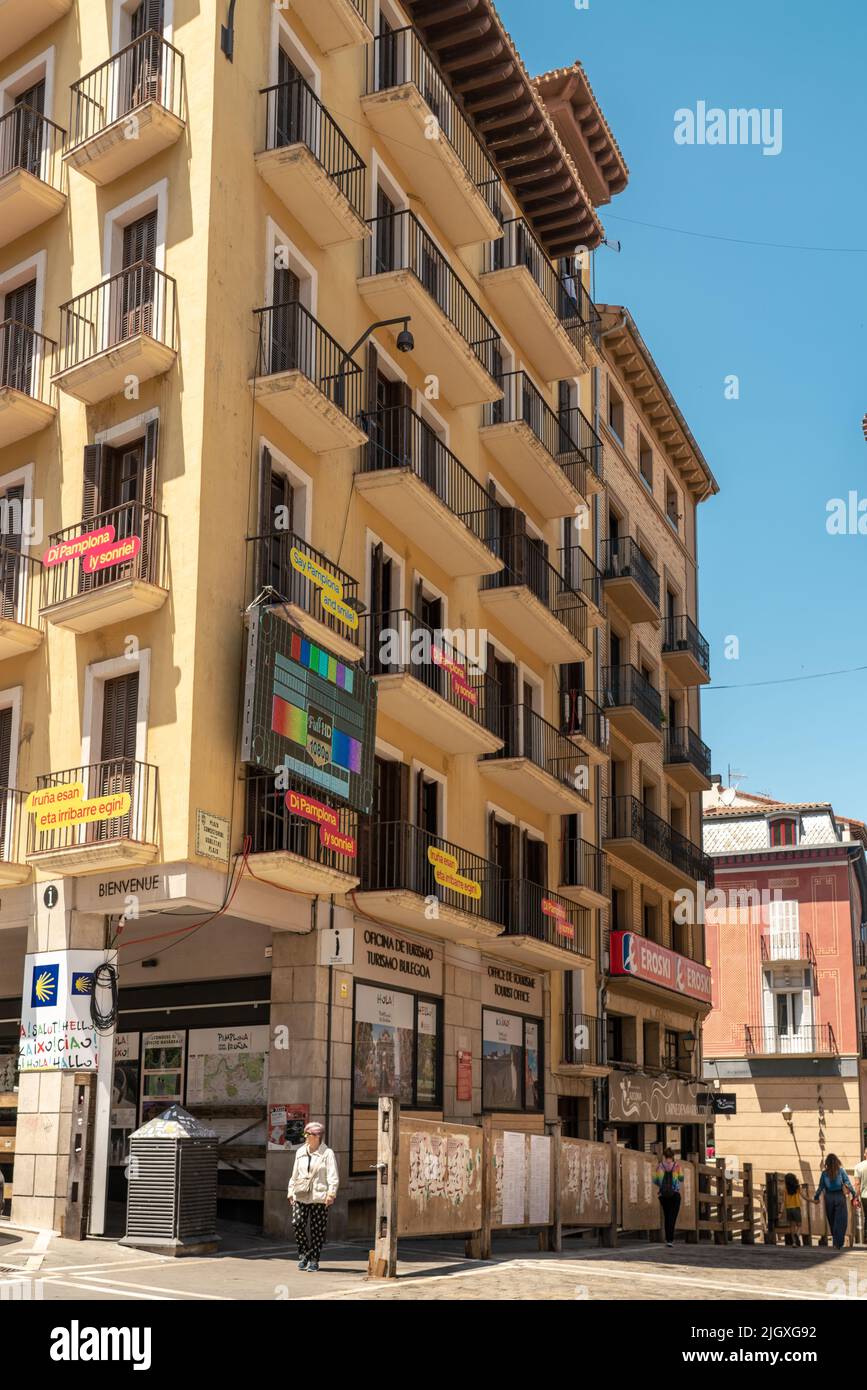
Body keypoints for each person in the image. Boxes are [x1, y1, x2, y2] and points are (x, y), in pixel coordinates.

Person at [287, 1121, 339, 1273]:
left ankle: (314, 1260)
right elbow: (294, 1174)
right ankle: (304, 1254)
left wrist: (331, 1193)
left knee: (317, 1230)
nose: (305, 1137)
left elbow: (333, 1175)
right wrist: (291, 1192)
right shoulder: (300, 1152)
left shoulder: (327, 1153)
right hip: (301, 1194)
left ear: (317, 1136)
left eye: (307, 1134)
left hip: (319, 1196)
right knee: (297, 1223)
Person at [813, 1153, 856, 1250]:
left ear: (827, 1163)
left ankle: (835, 1241)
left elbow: (821, 1187)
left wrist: (816, 1197)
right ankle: (838, 1242)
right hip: (840, 1197)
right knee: (841, 1220)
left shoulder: (824, 1173)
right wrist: (854, 1194)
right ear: (837, 1161)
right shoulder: (841, 1171)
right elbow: (848, 1183)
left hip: (829, 1197)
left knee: (832, 1220)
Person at [654, 1147, 684, 1247]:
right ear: (672, 1156)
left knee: (667, 1216)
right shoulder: (677, 1166)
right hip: (675, 1194)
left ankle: (668, 1240)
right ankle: (671, 1240)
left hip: (663, 1195)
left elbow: (655, 1181)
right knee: (673, 1217)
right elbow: (681, 1178)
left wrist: (662, 1185)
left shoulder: (660, 1166)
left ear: (664, 1156)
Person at [782, 1173, 803, 1247]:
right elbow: (803, 1196)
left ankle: (794, 1243)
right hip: (796, 1208)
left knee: (792, 1227)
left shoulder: (785, 1189)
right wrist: (813, 1201)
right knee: (799, 1225)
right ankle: (797, 1235)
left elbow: (784, 1201)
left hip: (788, 1209)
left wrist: (780, 1212)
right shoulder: (797, 1188)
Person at [853, 1146, 867, 1244]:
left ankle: (866, 1237)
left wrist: (856, 1198)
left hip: (864, 1196)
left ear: (865, 1154)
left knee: (866, 1217)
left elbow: (857, 1184)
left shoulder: (858, 1166)